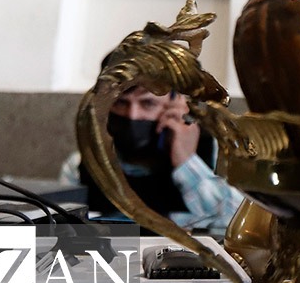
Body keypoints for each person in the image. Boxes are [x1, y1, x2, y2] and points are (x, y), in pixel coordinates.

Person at [61, 86, 243, 233]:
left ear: (178, 104)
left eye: (148, 103)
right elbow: (63, 228)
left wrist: (186, 162)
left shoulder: (216, 153)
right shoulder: (82, 164)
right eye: (120, 102)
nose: (133, 115)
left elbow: (238, 224)